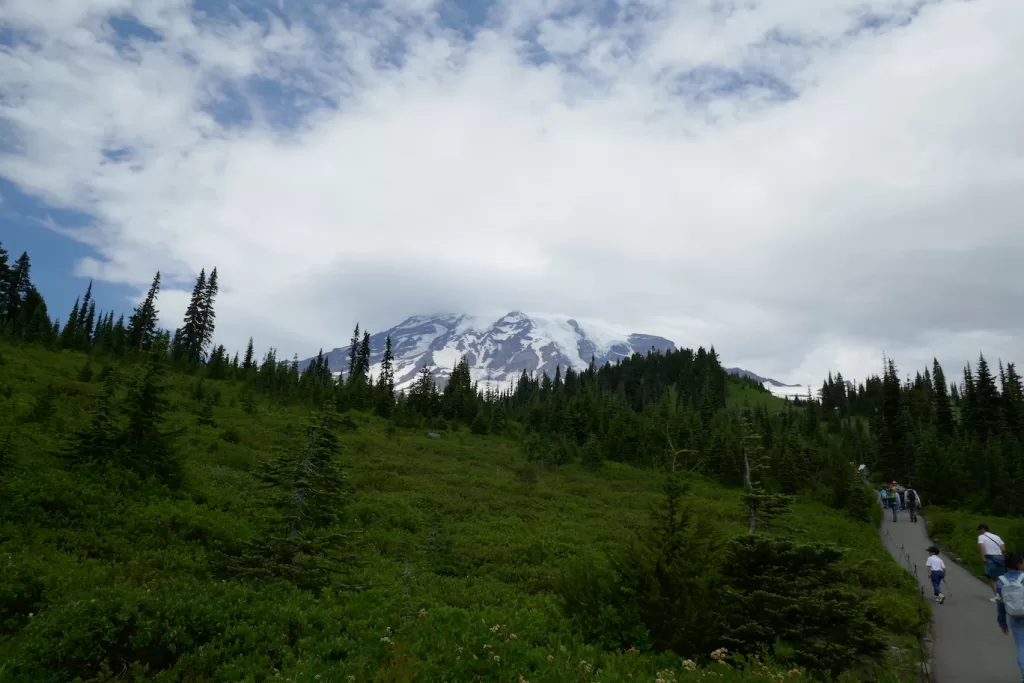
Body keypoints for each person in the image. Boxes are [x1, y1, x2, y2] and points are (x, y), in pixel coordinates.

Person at [996, 552, 1024, 682]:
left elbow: (1000, 603)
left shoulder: (1001, 581)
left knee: (1021, 647)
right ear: (1019, 564)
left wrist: (1002, 623)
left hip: (1015, 617)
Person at [978, 523, 1007, 602]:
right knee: (1001, 577)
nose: (979, 532)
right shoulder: (996, 536)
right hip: (1000, 557)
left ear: (982, 529)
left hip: (990, 558)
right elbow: (1003, 548)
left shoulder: (981, 537)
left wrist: (983, 557)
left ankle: (997, 596)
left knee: (992, 578)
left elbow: (982, 547)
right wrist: (997, 552)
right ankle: (1005, 595)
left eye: (979, 530)